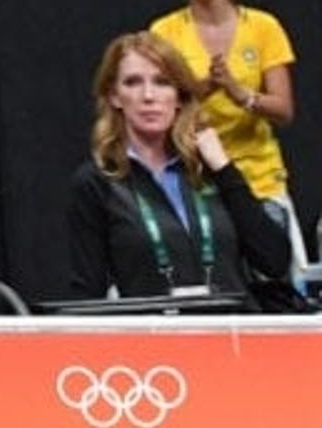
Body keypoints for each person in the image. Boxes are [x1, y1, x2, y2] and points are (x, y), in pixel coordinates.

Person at [67, 32, 292, 306]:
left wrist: (224, 169)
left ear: (179, 97)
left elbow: (275, 261)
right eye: (133, 83)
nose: (148, 96)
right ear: (115, 96)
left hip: (233, 335)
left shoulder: (209, 168)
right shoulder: (97, 182)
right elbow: (86, 293)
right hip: (156, 342)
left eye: (162, 82)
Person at [147, 0, 302, 259]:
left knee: (277, 284)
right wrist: (203, 88)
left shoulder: (264, 26)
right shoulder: (163, 32)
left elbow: (284, 110)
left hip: (260, 181)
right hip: (194, 183)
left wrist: (240, 92)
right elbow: (156, 107)